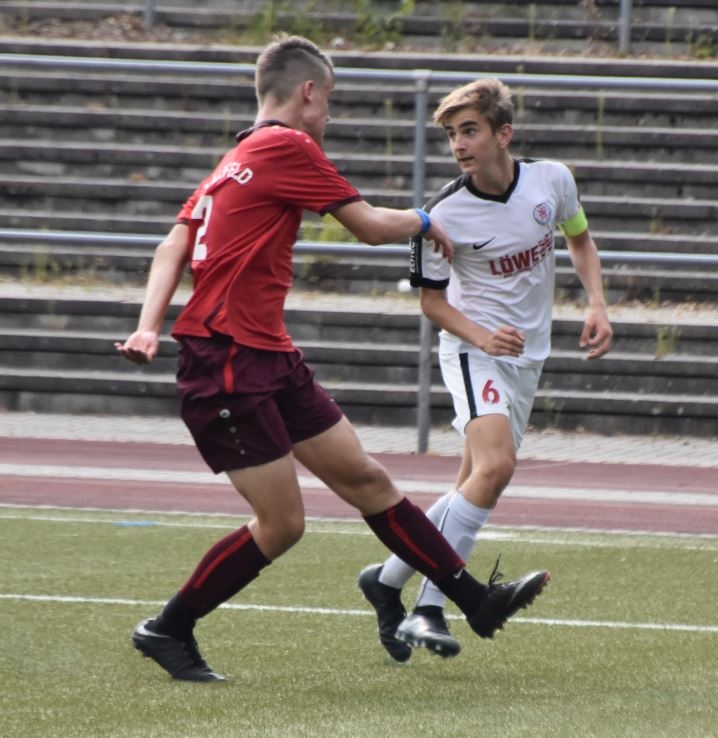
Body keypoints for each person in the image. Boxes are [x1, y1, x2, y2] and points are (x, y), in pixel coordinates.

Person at [115, 37, 549, 682]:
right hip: (226, 358)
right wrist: (424, 219)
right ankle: (168, 627)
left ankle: (474, 602)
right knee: (282, 524)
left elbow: (171, 244)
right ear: (308, 92)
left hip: (269, 354)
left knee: (368, 481)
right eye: (331, 99)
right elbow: (370, 226)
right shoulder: (287, 145)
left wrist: (149, 327)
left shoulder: (233, 160)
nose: (329, 114)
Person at [359, 77, 612, 662]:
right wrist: (481, 336)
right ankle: (429, 607)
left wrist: (597, 304)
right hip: (472, 350)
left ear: (504, 134)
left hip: (529, 356)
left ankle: (386, 581)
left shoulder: (553, 181)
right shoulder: (442, 214)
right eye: (451, 134)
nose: (458, 144)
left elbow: (580, 239)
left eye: (469, 130)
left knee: (476, 482)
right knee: (496, 466)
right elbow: (431, 304)